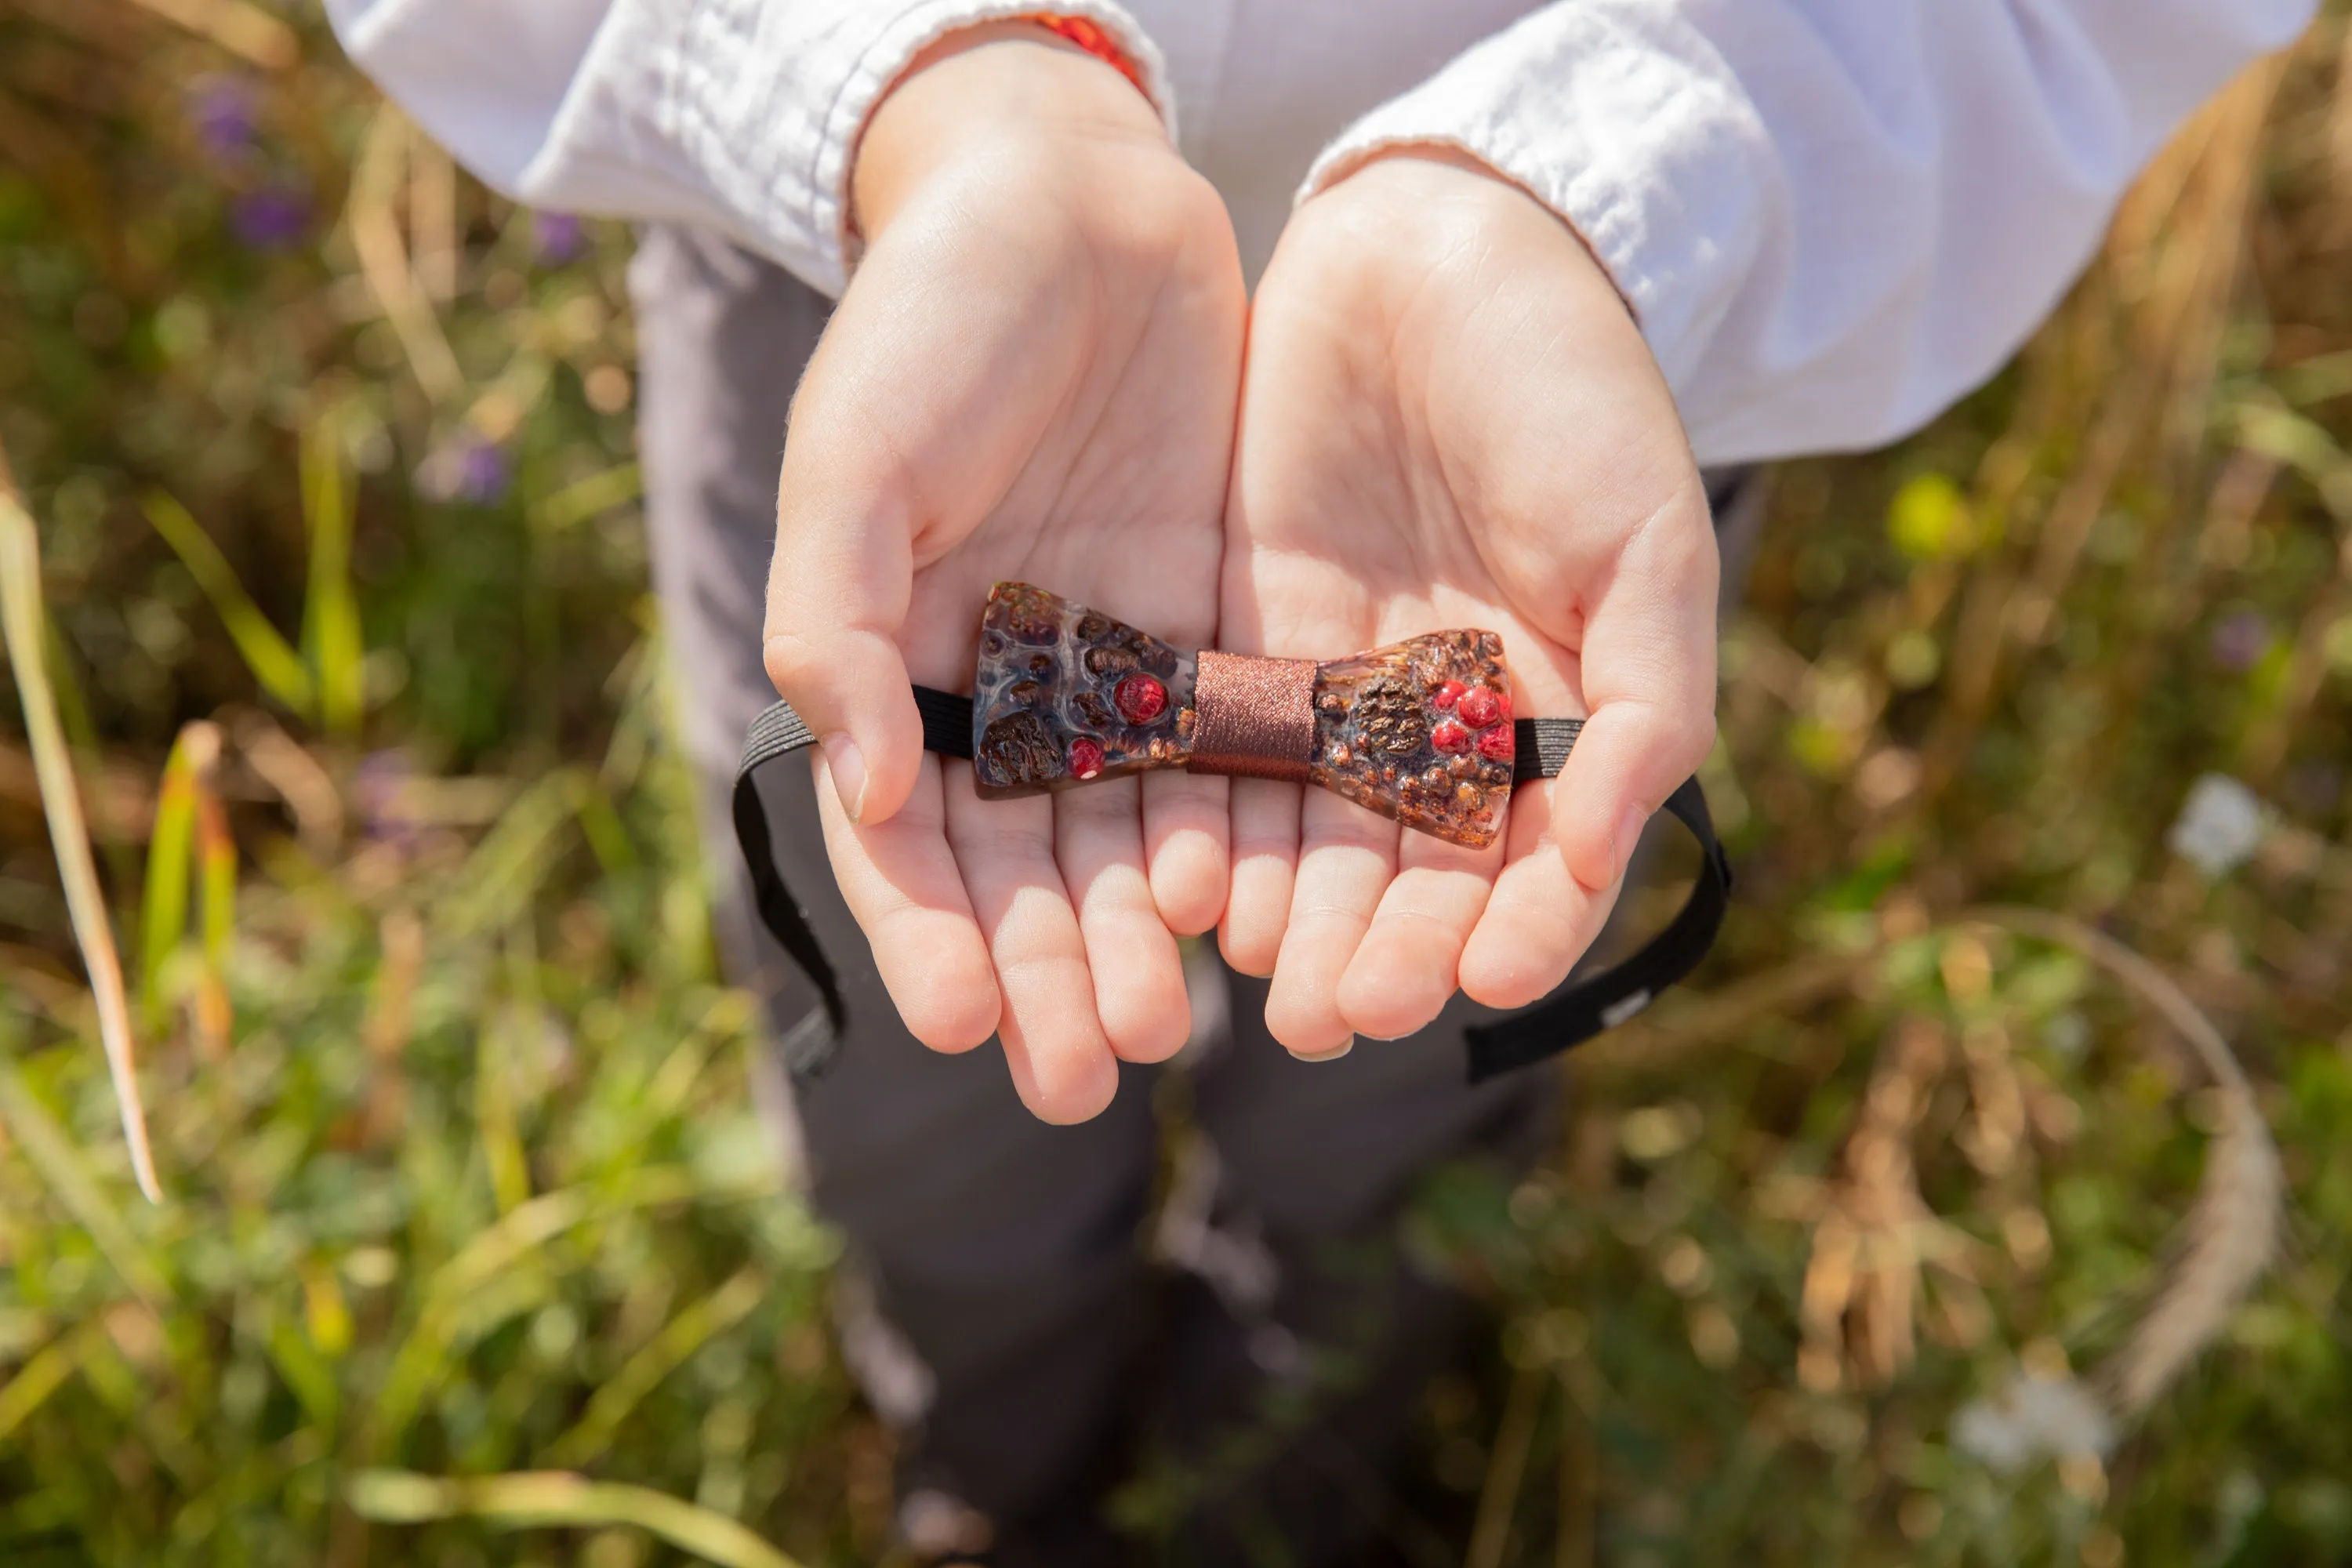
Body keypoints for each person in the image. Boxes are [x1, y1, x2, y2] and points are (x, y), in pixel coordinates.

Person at [328, 3, 2314, 1561]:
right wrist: (929, 92)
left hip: (1566, 372)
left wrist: (1591, 184)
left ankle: (1281, 1496)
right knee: (922, 1010)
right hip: (884, 273)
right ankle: (994, 1473)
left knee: (1410, 1063)